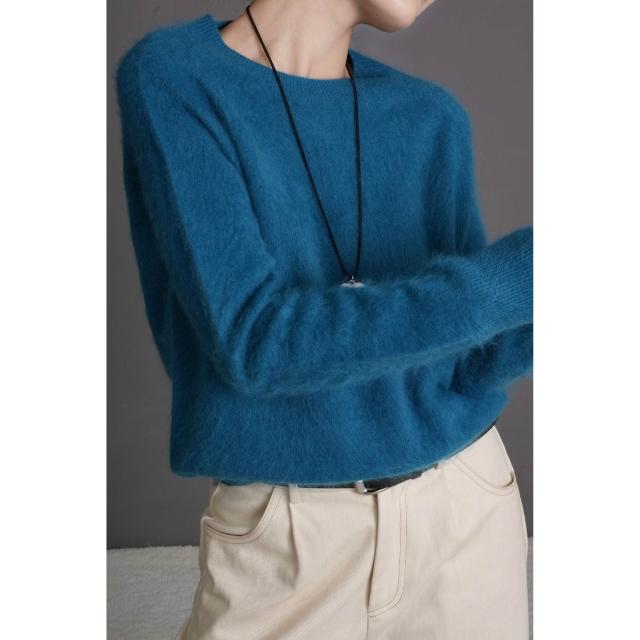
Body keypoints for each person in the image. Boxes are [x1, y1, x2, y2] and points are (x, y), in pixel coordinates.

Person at [115, 0, 533, 637]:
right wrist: (520, 276)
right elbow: (254, 343)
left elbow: (469, 363)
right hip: (290, 545)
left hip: (466, 517)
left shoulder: (429, 117)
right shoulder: (177, 76)